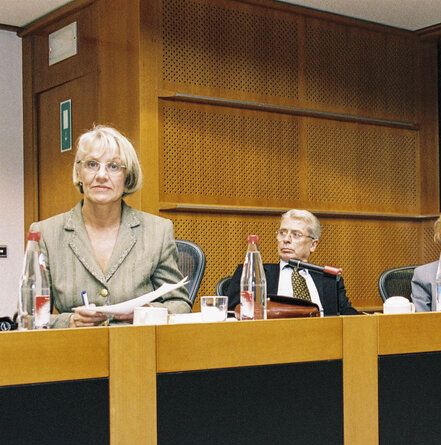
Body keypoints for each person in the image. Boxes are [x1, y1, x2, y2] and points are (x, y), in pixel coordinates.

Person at [30, 125, 192, 328]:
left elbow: (180, 304)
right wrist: (68, 321)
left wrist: (148, 314)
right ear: (79, 173)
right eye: (91, 165)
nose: (101, 175)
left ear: (127, 178)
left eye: (114, 166)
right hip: (74, 352)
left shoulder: (157, 231)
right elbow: (27, 316)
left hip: (137, 350)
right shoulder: (45, 233)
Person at [227, 209, 358, 316]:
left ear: (313, 245)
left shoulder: (329, 280)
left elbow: (348, 315)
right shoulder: (253, 272)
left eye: (296, 234)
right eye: (282, 233)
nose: (286, 239)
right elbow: (232, 313)